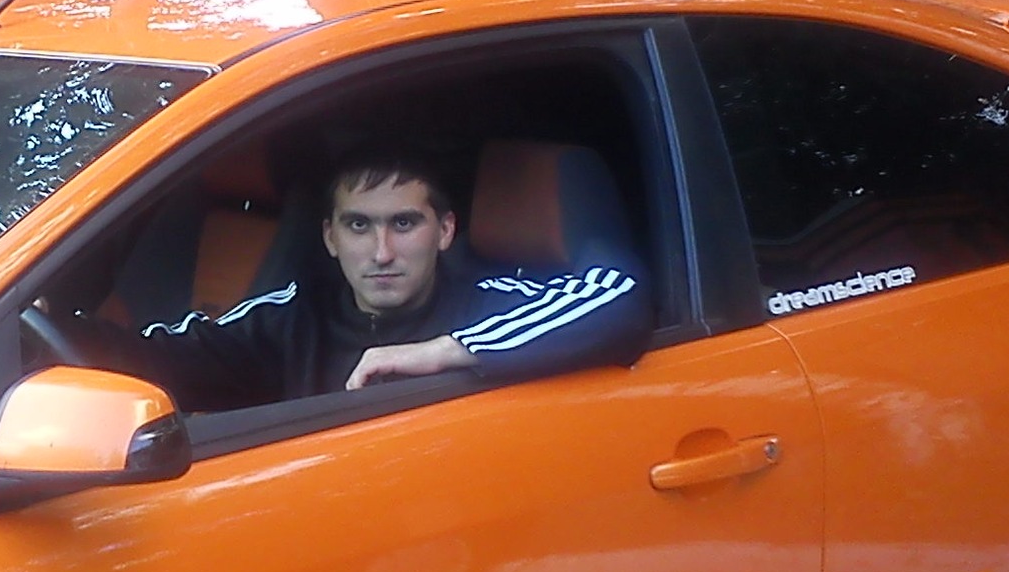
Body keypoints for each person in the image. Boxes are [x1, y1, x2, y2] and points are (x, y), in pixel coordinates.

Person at [79, 145, 648, 411]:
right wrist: (51, 339)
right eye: (359, 226)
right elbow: (160, 356)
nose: (381, 252)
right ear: (330, 237)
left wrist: (446, 352)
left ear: (445, 231)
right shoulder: (290, 318)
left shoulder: (492, 304)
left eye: (404, 224)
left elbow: (619, 294)